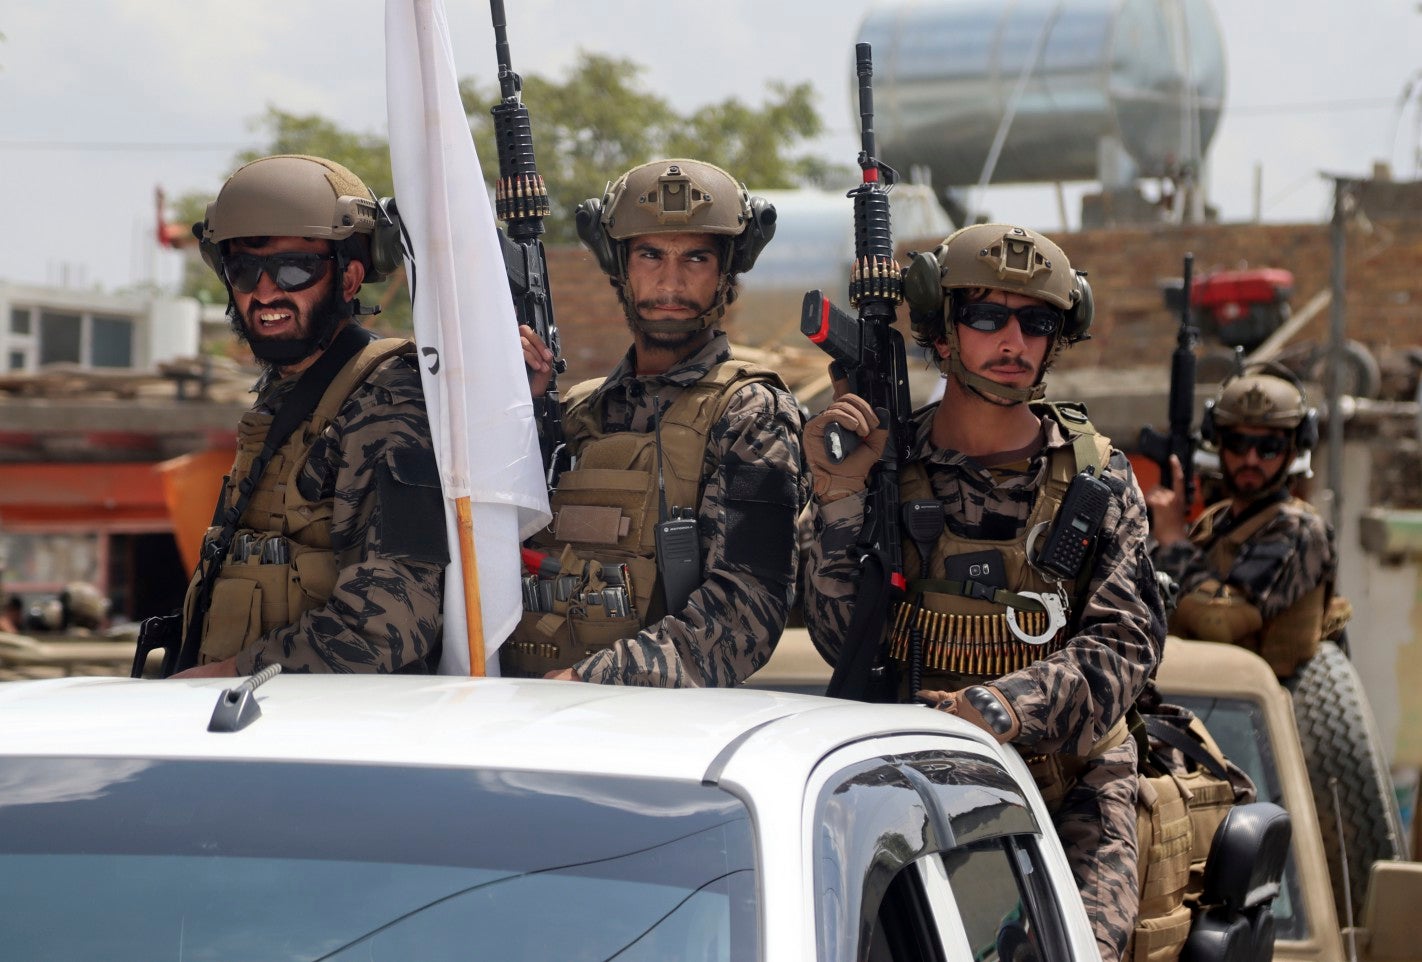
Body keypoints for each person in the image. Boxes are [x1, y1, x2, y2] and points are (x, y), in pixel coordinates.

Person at [802, 224, 1165, 962]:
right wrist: (840, 500)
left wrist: (1000, 708)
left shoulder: (1097, 478)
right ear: (943, 331)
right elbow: (843, 639)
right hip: (908, 785)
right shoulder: (886, 465)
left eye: (1036, 322)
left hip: (1069, 787)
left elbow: (1126, 646)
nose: (1014, 340)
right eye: (987, 317)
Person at [510, 158, 806, 687]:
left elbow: (747, 612)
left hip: (661, 732)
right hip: (529, 713)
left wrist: (591, 682)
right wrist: (524, 412)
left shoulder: (751, 413)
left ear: (725, 272)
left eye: (696, 257)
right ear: (619, 265)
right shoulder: (578, 414)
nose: (671, 281)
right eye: (650, 255)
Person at [172, 154, 446, 677]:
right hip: (254, 727)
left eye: (294, 268)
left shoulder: (386, 402)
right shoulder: (285, 396)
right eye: (244, 268)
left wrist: (220, 679)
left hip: (327, 735)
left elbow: (389, 626)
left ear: (349, 279)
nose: (265, 291)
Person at [1147, 364, 1340, 678]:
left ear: (1293, 450)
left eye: (1269, 448)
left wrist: (1174, 542)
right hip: (1194, 688)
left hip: (1256, 705)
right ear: (1218, 442)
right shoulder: (1214, 521)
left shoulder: (1300, 529)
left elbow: (1219, 623)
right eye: (1237, 443)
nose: (1250, 459)